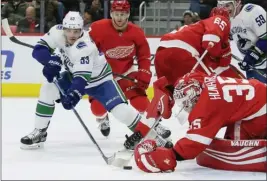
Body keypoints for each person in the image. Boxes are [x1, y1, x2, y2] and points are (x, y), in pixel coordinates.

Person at [20, 11, 171, 151]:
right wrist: (50, 61)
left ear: (82, 30)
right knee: (48, 90)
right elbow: (39, 49)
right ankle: (40, 131)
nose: (72, 35)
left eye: (76, 31)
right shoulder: (56, 31)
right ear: (63, 28)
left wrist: (73, 95)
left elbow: (81, 80)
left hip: (101, 82)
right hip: (74, 75)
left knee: (122, 112)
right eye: (69, 30)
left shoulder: (85, 47)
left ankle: (154, 138)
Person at [134, 71, 267, 173]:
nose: (187, 107)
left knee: (234, 145)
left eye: (187, 104)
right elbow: (187, 79)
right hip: (257, 95)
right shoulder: (199, 81)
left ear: (194, 97)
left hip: (259, 110)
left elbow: (194, 144)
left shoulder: (208, 105)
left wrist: (170, 154)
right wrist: (170, 92)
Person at [88, 0, 171, 138]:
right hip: (103, 75)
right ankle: (102, 118)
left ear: (128, 14)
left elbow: (144, 56)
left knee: (139, 101)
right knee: (97, 108)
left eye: (122, 14)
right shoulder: (98, 28)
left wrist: (144, 73)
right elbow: (86, 50)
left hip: (126, 71)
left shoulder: (136, 32)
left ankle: (154, 122)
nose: (119, 18)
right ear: (111, 14)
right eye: (116, 14)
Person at [154, 7, 244, 88]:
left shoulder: (197, 26)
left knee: (169, 93)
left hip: (161, 53)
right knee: (207, 87)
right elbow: (210, 42)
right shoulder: (220, 19)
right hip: (183, 51)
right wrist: (222, 53)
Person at [217, 0, 267, 83]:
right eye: (221, 6)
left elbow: (265, 38)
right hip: (252, 67)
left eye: (227, 5)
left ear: (237, 2)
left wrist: (253, 54)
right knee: (259, 94)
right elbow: (227, 39)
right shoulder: (226, 19)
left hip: (258, 61)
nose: (224, 9)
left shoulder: (253, 11)